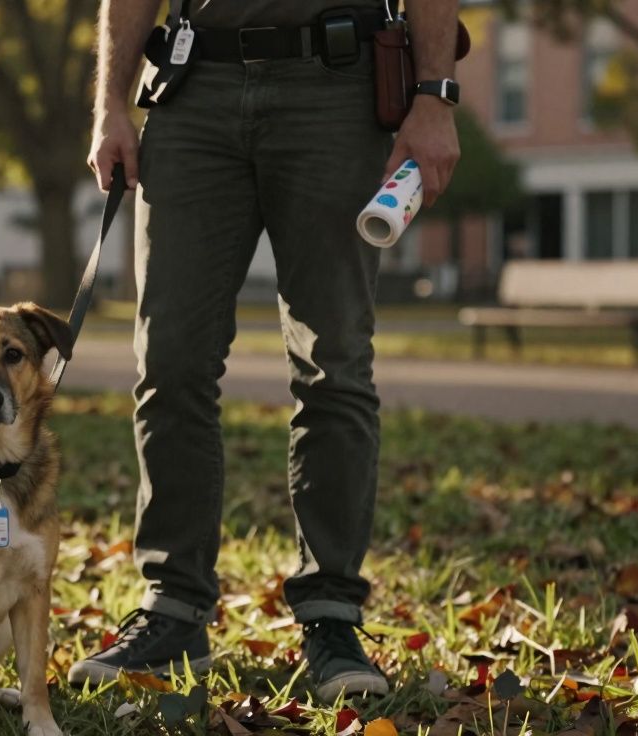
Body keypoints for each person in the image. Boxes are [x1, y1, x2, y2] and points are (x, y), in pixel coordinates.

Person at [69, 0, 460, 700]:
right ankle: (173, 609)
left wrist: (434, 97)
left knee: (333, 365)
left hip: (336, 87)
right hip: (195, 89)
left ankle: (332, 616)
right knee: (169, 363)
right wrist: (110, 104)